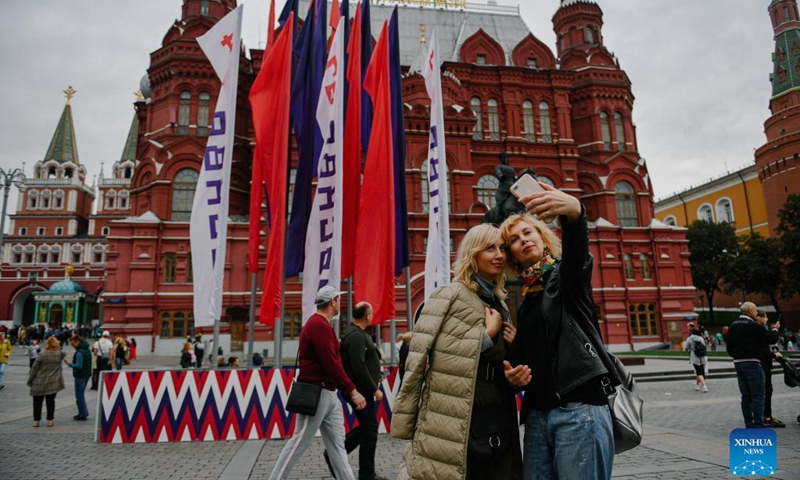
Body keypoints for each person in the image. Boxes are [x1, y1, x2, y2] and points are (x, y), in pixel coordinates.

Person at [500, 183, 618, 480]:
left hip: (578, 409)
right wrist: (515, 363)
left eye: (528, 232)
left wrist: (575, 215)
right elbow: (538, 357)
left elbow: (578, 259)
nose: (523, 240)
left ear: (542, 238)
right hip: (538, 415)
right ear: (512, 255)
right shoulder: (527, 298)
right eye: (514, 239)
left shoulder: (564, 279)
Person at [392, 224, 523, 480]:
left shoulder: (497, 301)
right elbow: (435, 357)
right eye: (490, 248)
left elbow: (494, 363)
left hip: (497, 416)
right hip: (457, 416)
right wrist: (487, 335)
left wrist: (513, 352)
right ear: (473, 254)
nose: (499, 255)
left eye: (502, 248)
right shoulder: (449, 295)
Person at [268, 285, 367, 480]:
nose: (340, 303)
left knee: (337, 446)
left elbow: (332, 362)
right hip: (317, 392)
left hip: (327, 393)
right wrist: (352, 390)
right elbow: (330, 362)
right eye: (338, 299)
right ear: (332, 302)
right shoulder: (318, 326)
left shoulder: (320, 325)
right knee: (299, 441)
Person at [337, 302, 388, 480]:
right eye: (371, 313)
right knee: (370, 429)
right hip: (362, 392)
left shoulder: (357, 333)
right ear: (367, 315)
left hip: (362, 390)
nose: (372, 316)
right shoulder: (356, 336)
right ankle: (366, 474)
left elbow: (363, 362)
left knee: (368, 428)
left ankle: (337, 455)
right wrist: (374, 389)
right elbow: (358, 367)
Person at [726, 302, 780, 428]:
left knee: (746, 396)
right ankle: (759, 424)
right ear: (750, 311)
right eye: (755, 310)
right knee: (758, 395)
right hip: (753, 363)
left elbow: (729, 347)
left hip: (738, 364)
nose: (756, 312)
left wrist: (737, 356)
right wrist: (775, 329)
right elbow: (771, 339)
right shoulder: (753, 325)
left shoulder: (733, 325)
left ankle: (749, 423)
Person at [755, 310, 785, 428]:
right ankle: (766, 417)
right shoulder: (758, 329)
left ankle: (764, 416)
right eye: (765, 316)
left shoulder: (753, 329)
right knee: (766, 391)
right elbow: (771, 340)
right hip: (763, 365)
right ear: (758, 317)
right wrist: (775, 329)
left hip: (758, 364)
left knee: (761, 391)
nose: (767, 319)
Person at [27, 337, 66, 427]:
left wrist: (30, 380)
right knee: (50, 401)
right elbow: (63, 352)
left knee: (37, 402)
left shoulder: (42, 354)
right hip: (53, 382)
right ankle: (50, 420)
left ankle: (36, 420)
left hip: (39, 381)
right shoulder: (60, 354)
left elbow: (34, 368)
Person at [64, 335, 92, 421]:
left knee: (79, 396)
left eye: (73, 344)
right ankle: (84, 412)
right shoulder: (87, 349)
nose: (72, 346)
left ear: (77, 342)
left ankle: (82, 414)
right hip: (86, 374)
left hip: (80, 375)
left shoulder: (79, 352)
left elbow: (79, 366)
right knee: (81, 394)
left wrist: (70, 364)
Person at [684, 328, 708, 392]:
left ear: (692, 332)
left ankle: (704, 386)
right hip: (702, 357)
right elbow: (704, 346)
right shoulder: (701, 338)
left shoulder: (689, 339)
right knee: (700, 371)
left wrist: (691, 349)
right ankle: (697, 385)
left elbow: (686, 348)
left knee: (699, 372)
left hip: (694, 357)